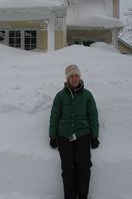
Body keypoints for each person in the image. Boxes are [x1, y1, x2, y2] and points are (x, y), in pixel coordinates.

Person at [49, 64, 100, 199]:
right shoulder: (60, 96)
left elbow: (93, 116)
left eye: (76, 75)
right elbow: (54, 116)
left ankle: (82, 196)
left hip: (83, 134)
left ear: (80, 77)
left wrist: (94, 136)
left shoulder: (87, 95)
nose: (74, 78)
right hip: (64, 136)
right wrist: (53, 136)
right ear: (67, 79)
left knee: (83, 166)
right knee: (68, 168)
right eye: (71, 76)